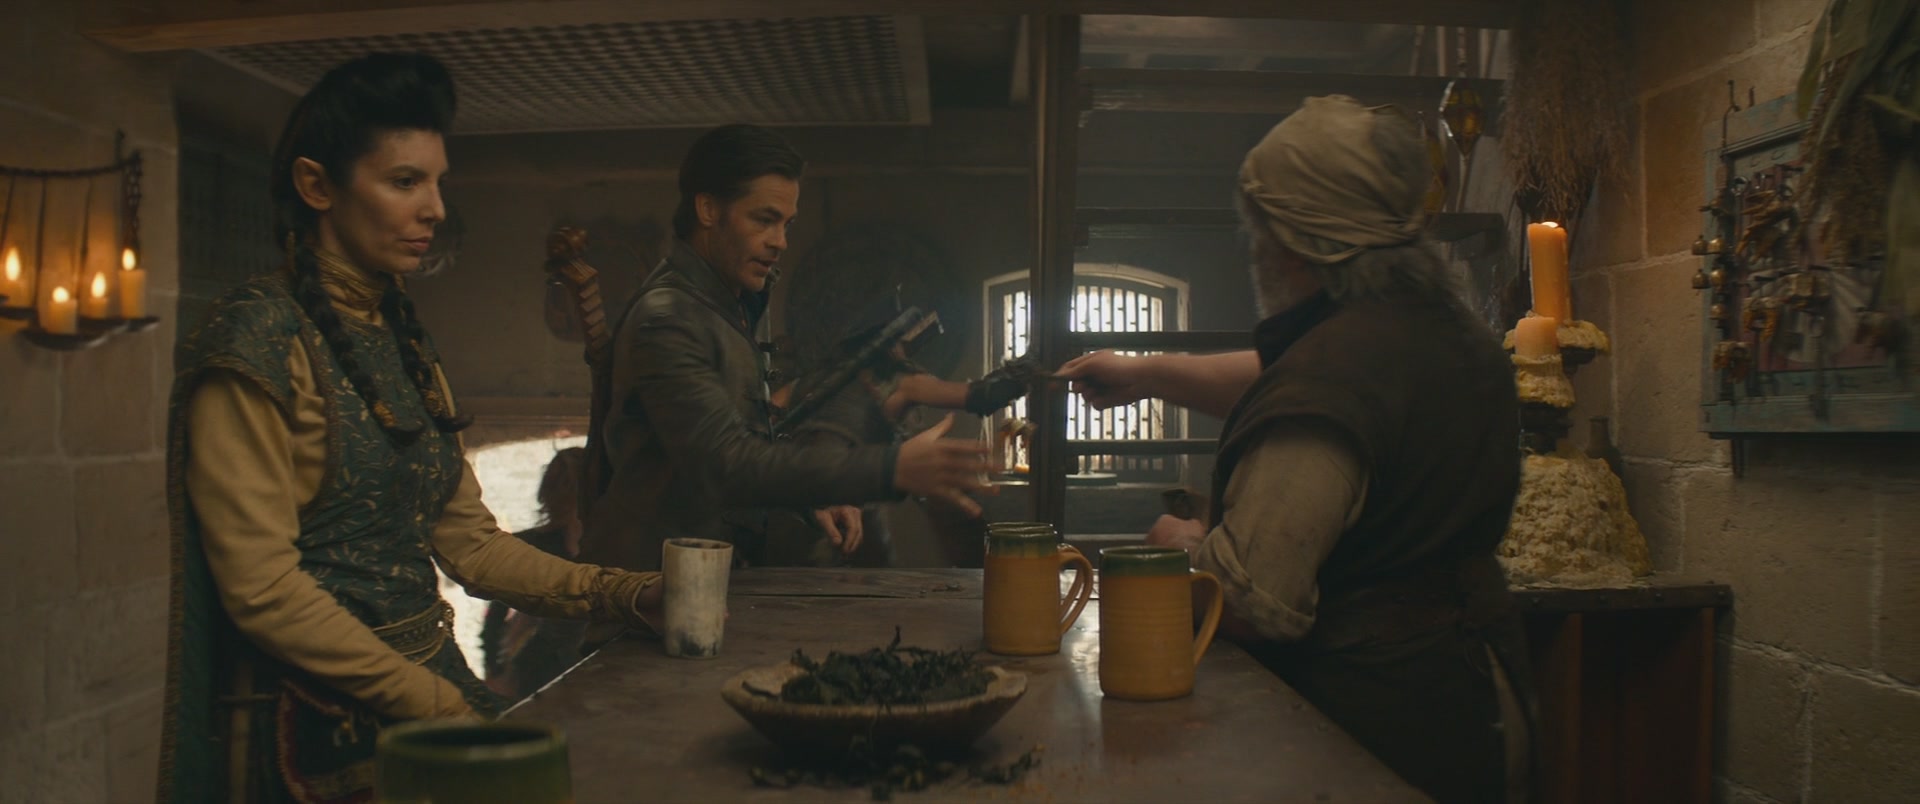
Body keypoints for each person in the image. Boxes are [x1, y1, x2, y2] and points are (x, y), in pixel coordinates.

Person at [159, 53, 665, 803]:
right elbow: (262, 587)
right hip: (314, 727)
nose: (435, 209)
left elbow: (469, 542)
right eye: (405, 182)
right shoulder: (258, 339)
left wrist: (622, 592)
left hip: (430, 683)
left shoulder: (401, 338)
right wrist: (436, 703)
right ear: (316, 186)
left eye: (437, 182)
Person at [1055, 95, 1530, 803]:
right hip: (1480, 692)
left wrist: (1181, 550)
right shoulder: (1447, 337)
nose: (1255, 252)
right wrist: (1144, 372)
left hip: (1375, 728)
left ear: (1298, 244)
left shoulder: (1330, 381)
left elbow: (1252, 600)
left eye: (1260, 231)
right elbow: (1306, 378)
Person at [577, 124, 988, 579]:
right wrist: (890, 468)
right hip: (642, 587)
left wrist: (808, 497)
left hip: (696, 575)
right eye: (764, 219)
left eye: (786, 224)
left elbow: (745, 445)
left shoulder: (732, 305)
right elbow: (724, 464)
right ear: (708, 209)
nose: (780, 241)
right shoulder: (668, 318)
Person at [766, 291, 1038, 567]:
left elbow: (762, 428)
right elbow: (983, 395)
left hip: (798, 516)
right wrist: (1037, 362)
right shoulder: (894, 379)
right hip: (844, 522)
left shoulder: (805, 383)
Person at [479, 447, 592, 698]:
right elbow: (495, 615)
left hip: (591, 668)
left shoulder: (606, 548)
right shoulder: (529, 546)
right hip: (537, 670)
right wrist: (496, 671)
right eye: (561, 486)